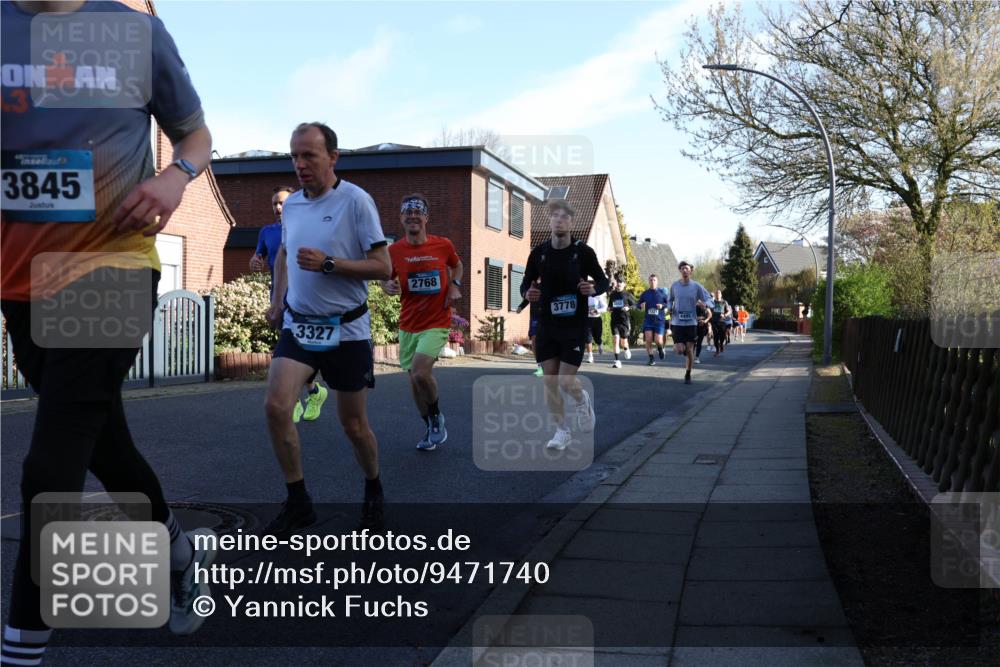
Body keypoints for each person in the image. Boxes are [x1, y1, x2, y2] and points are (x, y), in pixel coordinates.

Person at [1, 1, 216, 657]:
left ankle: (20, 649)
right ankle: (179, 552)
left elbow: (196, 137)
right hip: (21, 281)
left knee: (50, 470)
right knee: (105, 445)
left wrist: (175, 178)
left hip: (112, 267)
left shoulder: (135, 32)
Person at [262, 122, 391, 535]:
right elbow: (284, 255)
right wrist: (277, 300)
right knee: (277, 406)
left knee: (353, 425)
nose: (300, 164)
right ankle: (299, 502)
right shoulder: (292, 206)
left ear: (333, 157)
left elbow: (383, 267)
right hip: (299, 325)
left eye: (309, 156)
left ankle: (373, 488)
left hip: (346, 329)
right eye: (294, 156)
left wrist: (330, 264)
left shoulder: (356, 201)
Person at [520, 200, 608, 451]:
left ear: (571, 223)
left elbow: (602, 281)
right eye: (555, 216)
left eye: (564, 216)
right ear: (550, 221)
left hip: (574, 326)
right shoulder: (538, 253)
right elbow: (525, 282)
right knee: (550, 382)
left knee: (566, 381)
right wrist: (527, 293)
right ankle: (561, 431)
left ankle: (581, 399)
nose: (559, 219)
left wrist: (593, 289)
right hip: (547, 324)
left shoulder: (583, 252)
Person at [380, 193, 463, 451]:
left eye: (418, 212)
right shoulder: (394, 251)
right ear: (401, 218)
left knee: (420, 372)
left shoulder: (443, 245)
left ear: (426, 218)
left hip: (436, 321)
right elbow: (385, 277)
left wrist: (454, 285)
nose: (413, 216)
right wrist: (386, 286)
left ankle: (436, 415)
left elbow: (457, 266)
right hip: (408, 324)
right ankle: (429, 426)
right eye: (408, 212)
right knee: (414, 383)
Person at [250, 186, 328, 423]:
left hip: (305, 298)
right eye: (274, 203)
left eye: (282, 203)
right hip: (279, 298)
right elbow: (259, 257)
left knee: (301, 348)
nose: (278, 207)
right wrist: (255, 262)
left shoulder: (307, 227)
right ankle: (310, 393)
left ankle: (301, 395)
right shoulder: (267, 232)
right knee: (287, 349)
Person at [668, 262, 714, 384]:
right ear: (680, 271)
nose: (685, 270)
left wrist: (706, 304)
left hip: (691, 323)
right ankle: (683, 350)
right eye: (682, 268)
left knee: (689, 349)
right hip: (677, 322)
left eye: (687, 269)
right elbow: (670, 300)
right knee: (679, 350)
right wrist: (669, 307)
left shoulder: (696, 286)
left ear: (691, 271)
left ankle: (688, 373)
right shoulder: (675, 286)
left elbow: (709, 298)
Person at [637, 275, 669, 366]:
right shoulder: (645, 293)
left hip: (659, 320)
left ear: (657, 281)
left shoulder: (662, 293)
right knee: (648, 340)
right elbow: (638, 304)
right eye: (651, 280)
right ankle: (651, 358)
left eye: (654, 280)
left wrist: (662, 306)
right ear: (649, 281)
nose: (652, 282)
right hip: (648, 320)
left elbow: (669, 304)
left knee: (658, 340)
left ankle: (660, 348)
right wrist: (641, 306)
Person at [607, 276, 635, 368]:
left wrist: (628, 308)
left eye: (621, 282)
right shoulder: (613, 295)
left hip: (624, 320)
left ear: (624, 284)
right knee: (616, 339)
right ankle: (617, 361)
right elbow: (610, 306)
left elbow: (635, 305)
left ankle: (626, 349)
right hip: (615, 320)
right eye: (618, 282)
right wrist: (609, 308)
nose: (619, 283)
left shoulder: (628, 295)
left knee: (623, 342)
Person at [516, 296, 544, 376]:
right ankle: (540, 367)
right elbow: (529, 295)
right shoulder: (533, 287)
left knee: (549, 341)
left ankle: (553, 364)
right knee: (534, 340)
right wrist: (521, 306)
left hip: (549, 316)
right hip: (535, 316)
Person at [584, 291, 607, 363]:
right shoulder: (583, 296)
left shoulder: (598, 296)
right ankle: (590, 356)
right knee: (588, 339)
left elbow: (605, 307)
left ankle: (599, 344)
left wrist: (597, 310)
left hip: (596, 319)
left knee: (597, 337)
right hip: (587, 319)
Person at [710, 289, 732, 357]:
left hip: (722, 321)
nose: (717, 294)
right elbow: (708, 310)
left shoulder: (724, 302)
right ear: (715, 295)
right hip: (714, 321)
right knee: (715, 336)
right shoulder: (712, 302)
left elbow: (729, 311)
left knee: (722, 336)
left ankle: (721, 344)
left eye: (719, 293)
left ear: (721, 295)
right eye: (716, 293)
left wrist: (724, 315)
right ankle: (717, 350)